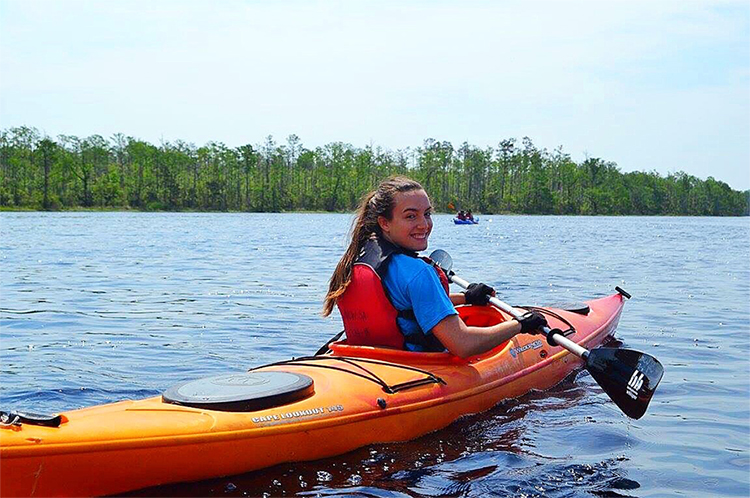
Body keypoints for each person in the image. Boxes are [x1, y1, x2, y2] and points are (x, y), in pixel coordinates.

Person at [323, 176, 547, 358]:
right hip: (411, 368)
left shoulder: (354, 260)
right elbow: (463, 344)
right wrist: (521, 325)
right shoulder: (417, 272)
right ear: (384, 223)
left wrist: (467, 298)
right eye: (411, 216)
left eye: (427, 214)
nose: (424, 224)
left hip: (364, 360)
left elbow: (402, 307)